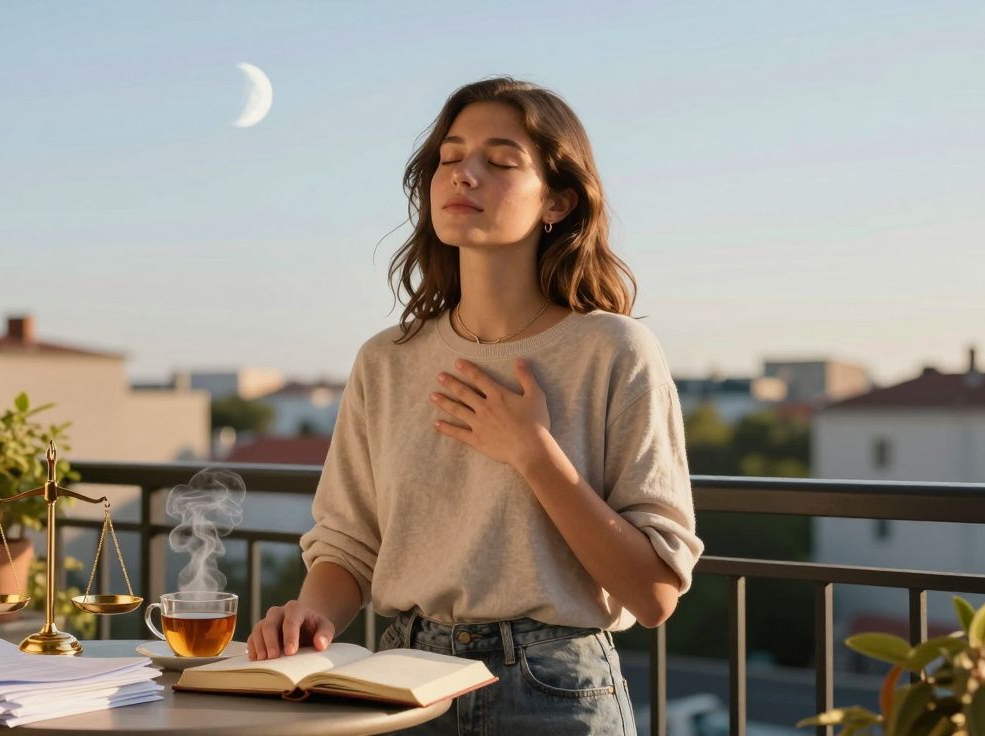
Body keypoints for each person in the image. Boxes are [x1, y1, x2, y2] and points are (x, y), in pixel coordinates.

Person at [245, 76, 704, 735]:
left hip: (552, 694)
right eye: (451, 157)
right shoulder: (387, 360)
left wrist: (533, 453)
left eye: (501, 160)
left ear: (558, 201)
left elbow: (655, 593)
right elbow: (348, 542)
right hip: (400, 686)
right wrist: (312, 613)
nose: (464, 174)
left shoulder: (614, 350)